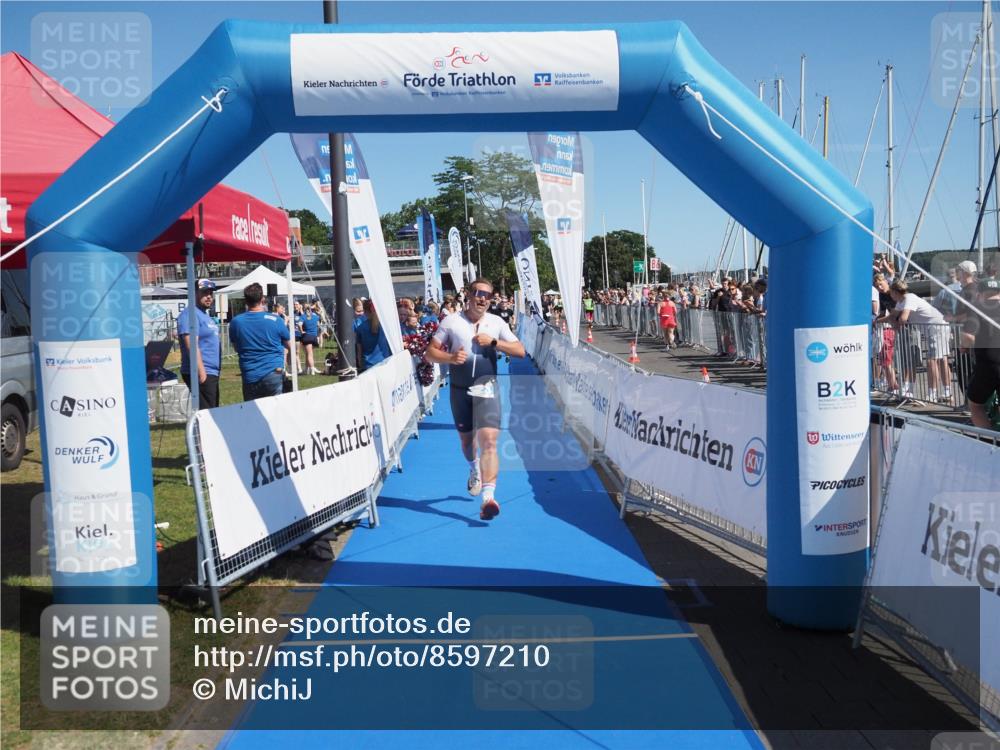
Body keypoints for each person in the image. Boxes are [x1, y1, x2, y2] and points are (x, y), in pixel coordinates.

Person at [425, 278, 526, 521]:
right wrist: (449, 358)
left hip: (487, 388)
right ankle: (474, 470)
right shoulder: (451, 321)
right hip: (459, 389)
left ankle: (488, 498)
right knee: (467, 442)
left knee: (490, 441)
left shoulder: (496, 322)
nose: (483, 298)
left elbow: (521, 351)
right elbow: (430, 353)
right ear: (468, 295)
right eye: (478, 293)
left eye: (488, 295)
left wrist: (494, 342)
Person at [889, 279, 952, 401]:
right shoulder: (901, 302)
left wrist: (896, 325)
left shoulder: (909, 298)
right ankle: (946, 392)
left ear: (896, 292)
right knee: (942, 360)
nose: (890, 295)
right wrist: (882, 321)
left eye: (891, 293)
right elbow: (892, 316)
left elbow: (903, 318)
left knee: (932, 360)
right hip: (934, 328)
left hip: (936, 327)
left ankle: (933, 394)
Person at [229, 283, 292, 400]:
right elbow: (290, 346)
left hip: (250, 374)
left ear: (246, 301)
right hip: (274, 372)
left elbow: (236, 347)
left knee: (253, 414)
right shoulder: (276, 320)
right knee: (276, 411)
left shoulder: (236, 322)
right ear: (262, 299)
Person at [960, 278, 1000, 428]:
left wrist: (964, 346)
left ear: (980, 293)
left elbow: (968, 336)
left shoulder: (977, 308)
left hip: (988, 364)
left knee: (976, 405)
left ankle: (990, 441)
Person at [177, 278, 221, 409]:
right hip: (200, 371)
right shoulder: (189, 314)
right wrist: (201, 372)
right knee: (208, 413)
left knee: (212, 410)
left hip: (211, 371)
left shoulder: (204, 315)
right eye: (204, 293)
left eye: (210, 293)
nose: (209, 297)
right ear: (194, 294)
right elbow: (191, 344)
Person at [354, 299, 391, 372]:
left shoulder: (360, 327)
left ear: (365, 311)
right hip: (386, 361)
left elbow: (359, 348)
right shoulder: (385, 326)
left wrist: (360, 363)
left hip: (368, 364)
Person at [300, 302, 321, 375]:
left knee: (309, 354)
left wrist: (302, 331)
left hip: (307, 336)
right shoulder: (315, 316)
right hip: (314, 336)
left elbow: (300, 324)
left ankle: (312, 369)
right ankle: (307, 369)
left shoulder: (303, 316)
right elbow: (318, 325)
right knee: (309, 353)